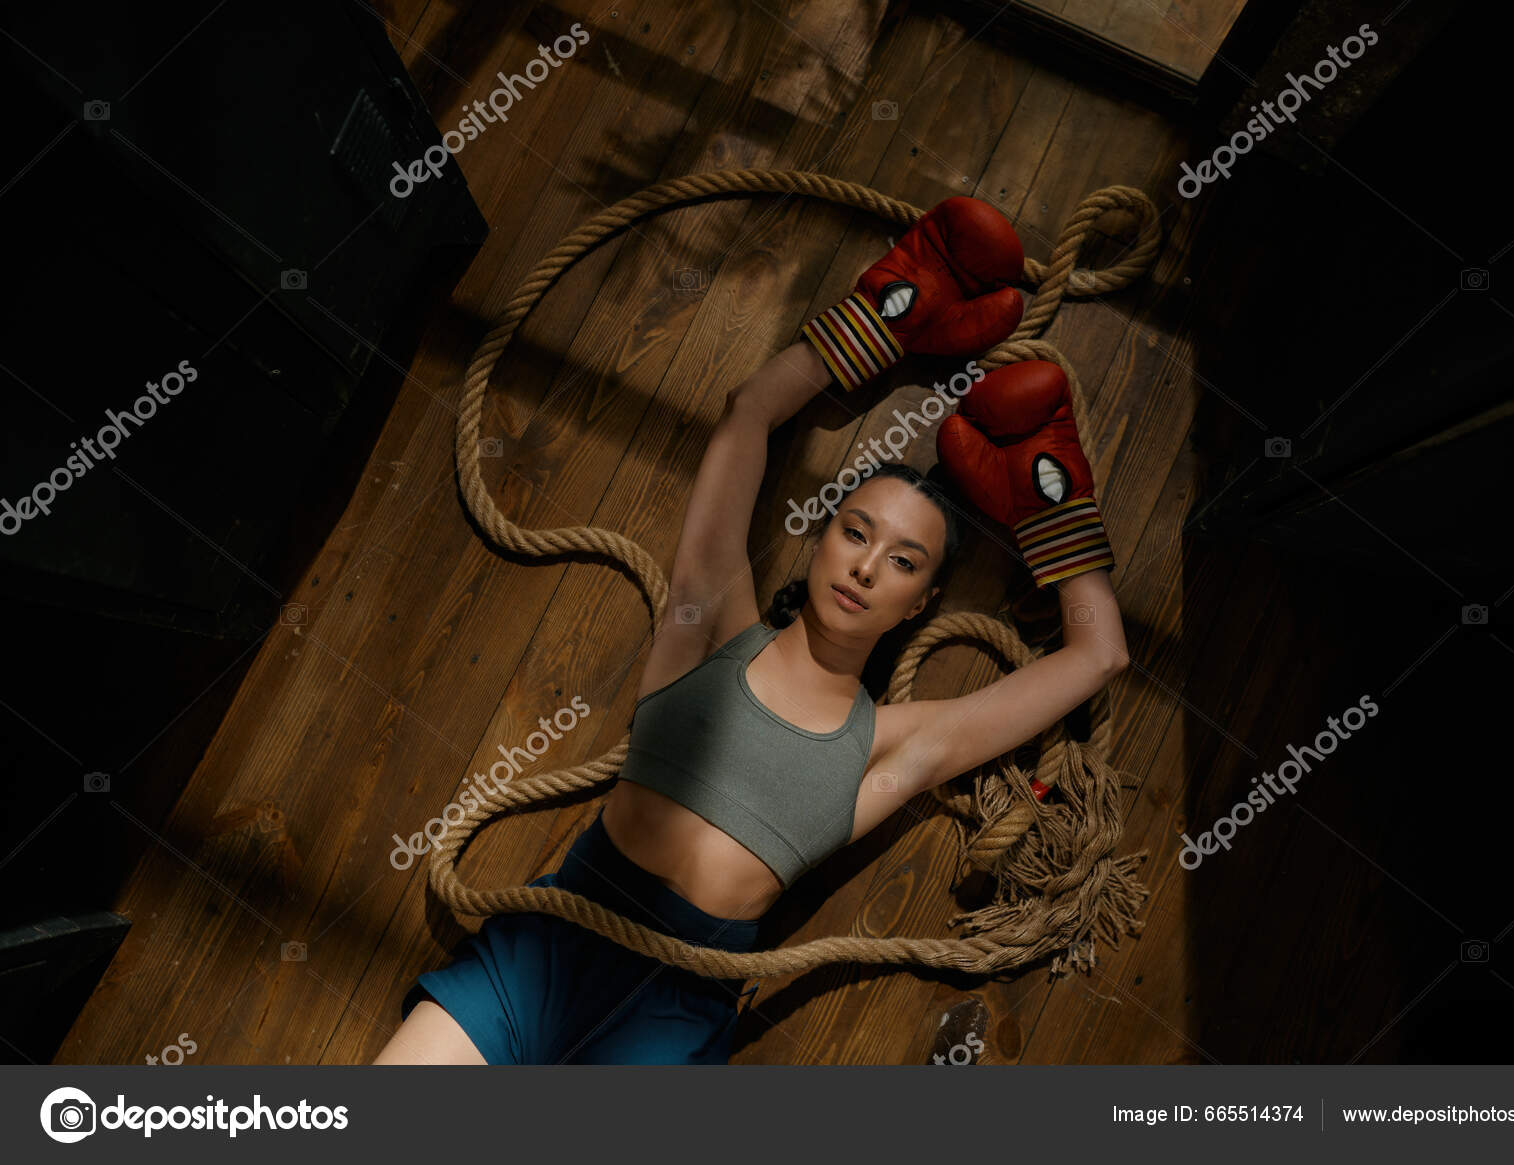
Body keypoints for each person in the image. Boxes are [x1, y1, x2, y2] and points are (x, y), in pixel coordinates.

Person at [373, 197, 1129, 1065]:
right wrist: (888, 317)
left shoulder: (888, 747)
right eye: (854, 531)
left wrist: (1052, 500)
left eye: (905, 560)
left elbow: (1099, 652)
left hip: (672, 1011)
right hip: (547, 952)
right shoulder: (709, 625)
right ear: (819, 538)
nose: (867, 565)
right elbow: (748, 414)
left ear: (918, 602)